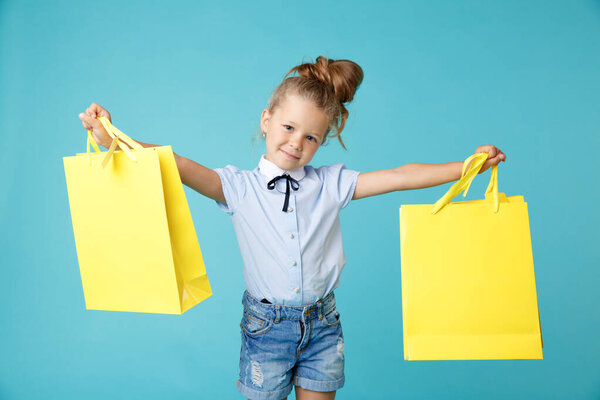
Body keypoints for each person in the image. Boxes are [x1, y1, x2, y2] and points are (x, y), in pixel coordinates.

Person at [78, 55, 506, 400]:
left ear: (323, 141)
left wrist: (465, 166)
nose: (296, 143)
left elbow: (398, 175)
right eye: (288, 127)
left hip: (323, 323)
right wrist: (112, 138)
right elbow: (179, 164)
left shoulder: (330, 184)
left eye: (311, 138)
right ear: (266, 120)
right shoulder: (238, 188)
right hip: (267, 326)